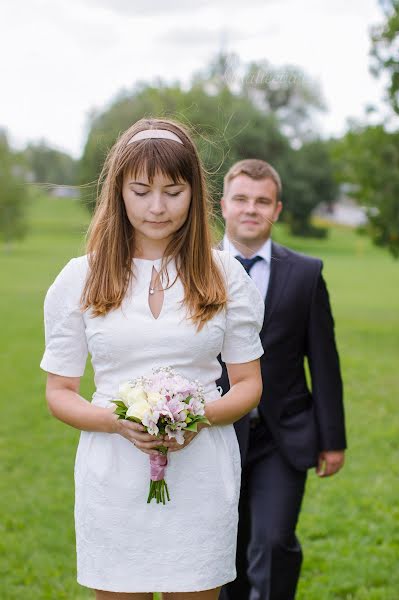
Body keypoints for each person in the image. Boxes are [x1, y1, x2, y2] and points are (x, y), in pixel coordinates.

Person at [39, 120, 266, 600]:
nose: (157, 207)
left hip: (202, 472)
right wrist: (115, 422)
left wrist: (197, 418)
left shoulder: (224, 273)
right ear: (119, 192)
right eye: (141, 191)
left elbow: (247, 383)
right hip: (113, 474)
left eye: (173, 191)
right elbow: (59, 393)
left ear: (194, 193)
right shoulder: (80, 278)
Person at [217, 159, 347, 600]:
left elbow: (324, 361)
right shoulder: (196, 268)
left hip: (282, 435)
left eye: (262, 201)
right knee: (223, 551)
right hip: (213, 434)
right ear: (224, 206)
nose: (251, 209)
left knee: (273, 543)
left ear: (277, 208)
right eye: (241, 199)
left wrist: (333, 439)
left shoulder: (306, 274)